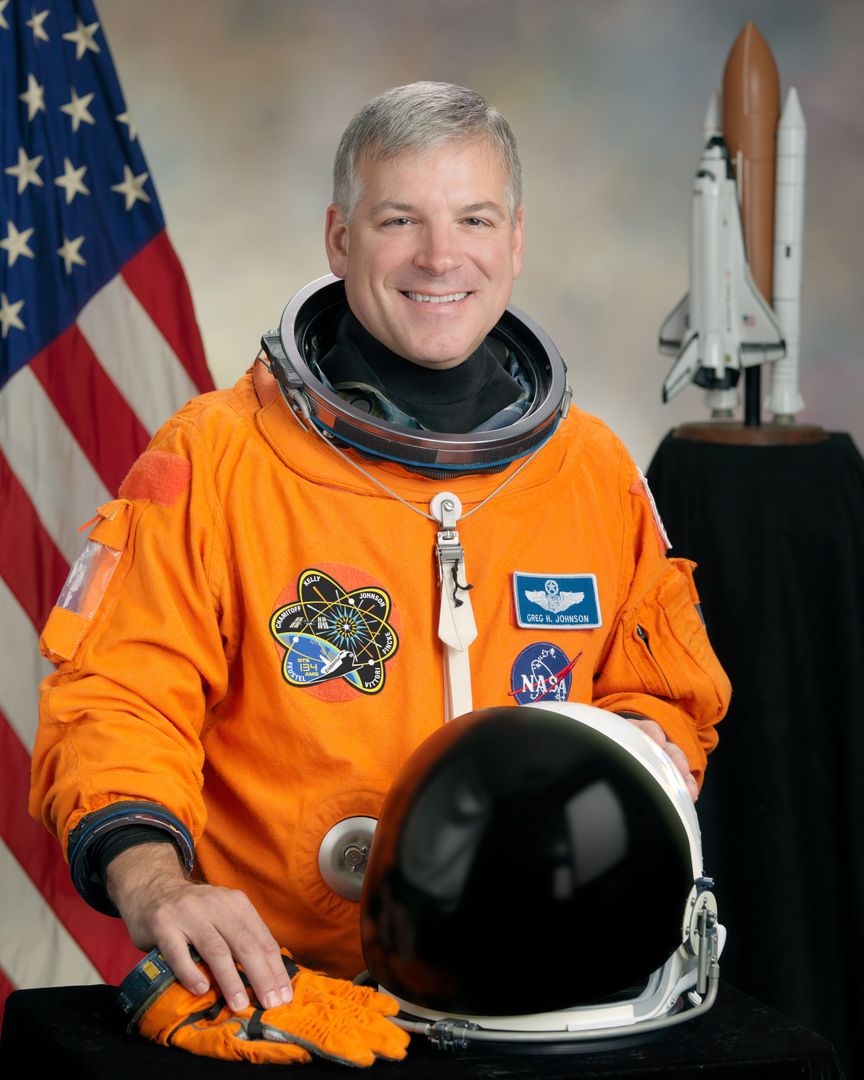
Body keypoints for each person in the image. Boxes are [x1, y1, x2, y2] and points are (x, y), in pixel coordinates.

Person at [31, 82, 730, 1020]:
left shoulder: (589, 472)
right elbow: (120, 698)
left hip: (548, 1000)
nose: (441, 256)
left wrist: (637, 760)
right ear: (339, 238)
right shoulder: (218, 460)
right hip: (287, 995)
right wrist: (157, 883)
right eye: (399, 219)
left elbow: (662, 694)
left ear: (516, 240)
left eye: (474, 219)